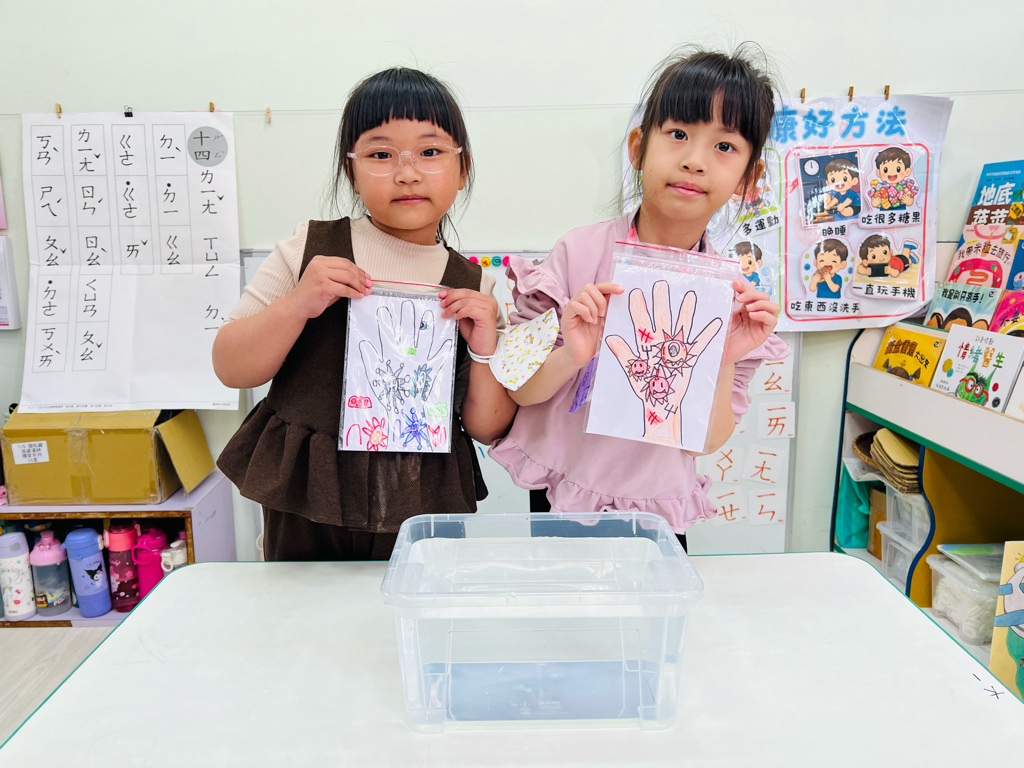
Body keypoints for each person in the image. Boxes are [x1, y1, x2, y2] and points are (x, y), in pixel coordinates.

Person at [214, 68, 517, 561]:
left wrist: (485, 349)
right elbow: (230, 367)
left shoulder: (474, 286)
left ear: (462, 170)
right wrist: (298, 304)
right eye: (380, 154)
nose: (407, 172)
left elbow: (487, 427)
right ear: (351, 172)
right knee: (298, 605)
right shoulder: (309, 249)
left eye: (430, 151)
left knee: (408, 604)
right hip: (306, 495)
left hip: (419, 496)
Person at [489, 48, 789, 543]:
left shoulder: (731, 300)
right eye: (678, 134)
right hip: (562, 490)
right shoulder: (578, 254)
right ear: (637, 148)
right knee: (558, 595)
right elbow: (520, 392)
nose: (694, 161)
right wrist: (571, 354)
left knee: (653, 597)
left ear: (748, 179)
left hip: (656, 504)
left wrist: (724, 359)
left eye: (725, 146)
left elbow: (706, 441)